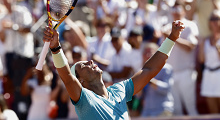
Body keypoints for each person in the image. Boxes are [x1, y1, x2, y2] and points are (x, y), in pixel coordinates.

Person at [42, 20, 184, 119]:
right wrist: (55, 48)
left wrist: (171, 38)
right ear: (81, 81)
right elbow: (67, 77)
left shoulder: (119, 90)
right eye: (83, 65)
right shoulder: (84, 100)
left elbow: (149, 70)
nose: (90, 61)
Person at [141, 42, 174, 117]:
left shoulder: (166, 68)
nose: (147, 55)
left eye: (150, 53)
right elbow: (138, 96)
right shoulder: (142, 71)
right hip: (147, 111)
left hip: (162, 110)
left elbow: (166, 88)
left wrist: (150, 80)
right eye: (145, 53)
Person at [198, 9, 220, 114]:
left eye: (217, 19)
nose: (215, 22)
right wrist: (201, 46)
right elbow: (201, 60)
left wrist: (217, 47)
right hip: (208, 75)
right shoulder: (205, 40)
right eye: (212, 19)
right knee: (213, 111)